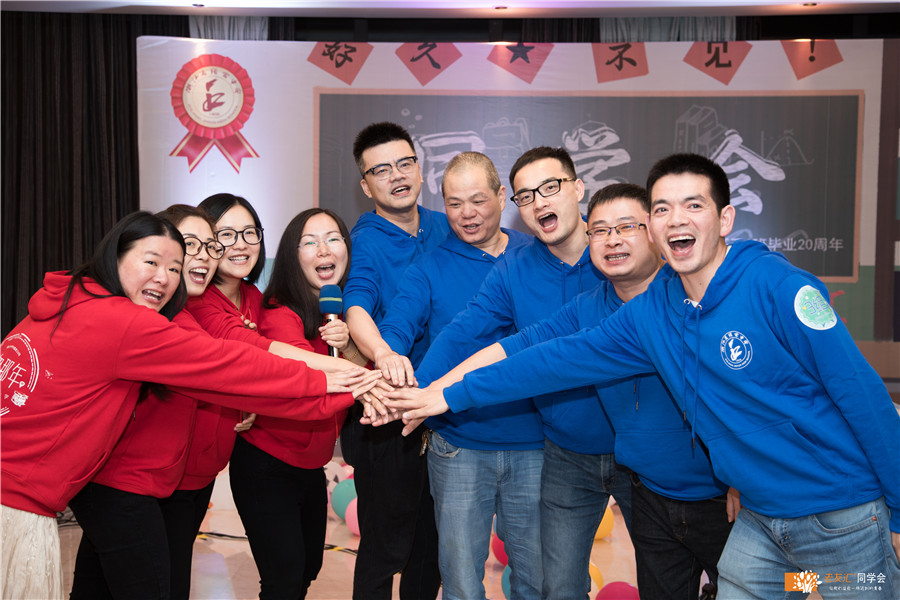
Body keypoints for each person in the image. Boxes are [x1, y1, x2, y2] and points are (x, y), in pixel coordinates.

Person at [387, 153, 900, 600]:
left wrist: (897, 513)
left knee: (848, 585)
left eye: (693, 205)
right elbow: (548, 359)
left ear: (725, 218)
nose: (676, 220)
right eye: (662, 209)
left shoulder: (779, 286)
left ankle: (833, 579)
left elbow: (862, 395)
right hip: (760, 520)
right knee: (770, 585)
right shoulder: (650, 315)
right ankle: (812, 583)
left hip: (842, 512)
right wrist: (447, 395)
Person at [0, 211, 373, 600]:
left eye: (174, 267)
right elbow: (228, 366)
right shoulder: (126, 323)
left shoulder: (74, 298)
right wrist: (338, 383)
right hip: (30, 499)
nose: (164, 277)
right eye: (152, 261)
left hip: (44, 491)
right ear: (115, 257)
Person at [391, 146, 632, 599]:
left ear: (579, 188)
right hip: (565, 454)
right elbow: (482, 339)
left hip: (639, 454)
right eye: (528, 195)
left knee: (678, 577)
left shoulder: (624, 259)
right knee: (556, 588)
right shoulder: (516, 269)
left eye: (550, 188)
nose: (540, 202)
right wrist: (423, 393)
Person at [366, 151, 541, 599]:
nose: (467, 214)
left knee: (536, 578)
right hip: (458, 445)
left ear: (502, 196)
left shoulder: (535, 254)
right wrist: (387, 359)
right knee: (460, 580)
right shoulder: (429, 265)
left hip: (535, 445)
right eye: (454, 203)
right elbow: (398, 325)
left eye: (478, 200)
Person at [226, 208, 364, 599]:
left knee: (306, 569)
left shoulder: (345, 311)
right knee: (284, 578)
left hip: (310, 464)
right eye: (310, 242)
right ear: (292, 254)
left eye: (333, 238)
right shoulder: (279, 312)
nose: (324, 249)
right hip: (267, 464)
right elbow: (309, 384)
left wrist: (350, 345)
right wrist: (367, 379)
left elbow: (359, 371)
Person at [341, 121, 449, 599]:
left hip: (446, 406)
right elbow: (357, 304)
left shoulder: (447, 226)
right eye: (381, 170)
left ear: (420, 170)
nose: (397, 175)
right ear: (366, 186)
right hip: (389, 412)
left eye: (405, 163)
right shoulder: (365, 240)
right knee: (385, 547)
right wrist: (384, 353)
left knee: (433, 545)